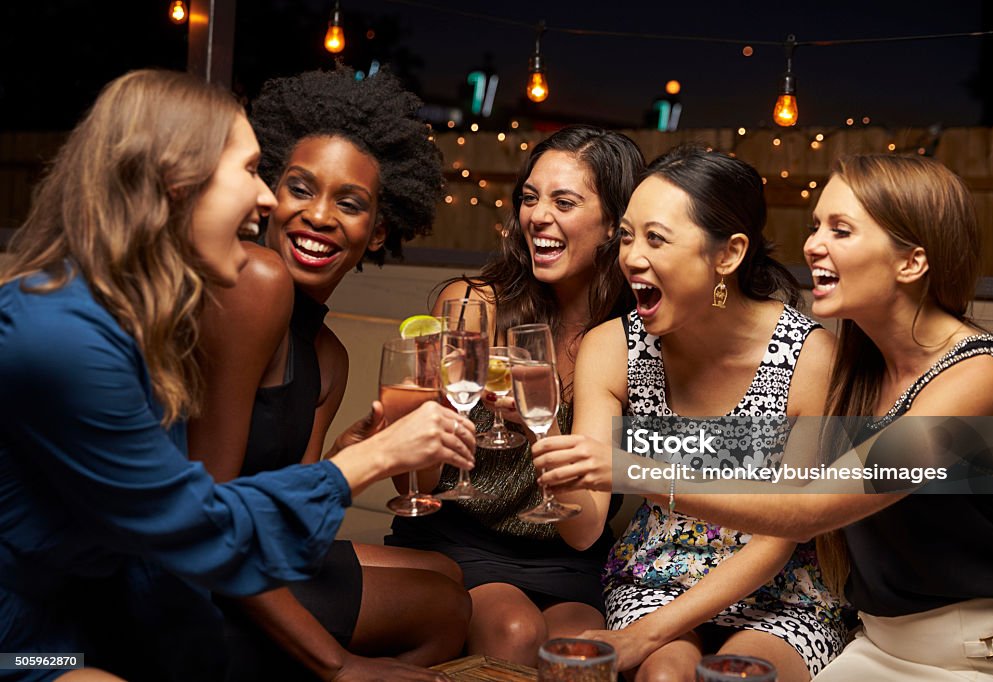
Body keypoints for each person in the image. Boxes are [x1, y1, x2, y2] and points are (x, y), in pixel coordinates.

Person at [0, 69, 475, 682]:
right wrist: (373, 460)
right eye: (253, 171)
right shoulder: (61, 338)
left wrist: (350, 457)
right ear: (178, 181)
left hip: (90, 618)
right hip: (31, 646)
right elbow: (195, 528)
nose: (269, 201)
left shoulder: (133, 321)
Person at [534, 154, 993, 680]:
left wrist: (632, 467)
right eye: (816, 226)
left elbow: (809, 510)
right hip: (878, 644)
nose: (812, 244)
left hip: (980, 652)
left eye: (840, 230)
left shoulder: (981, 376)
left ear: (911, 263)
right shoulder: (863, 368)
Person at [185, 67, 470, 681]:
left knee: (447, 577)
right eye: (300, 189)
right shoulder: (252, 285)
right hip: (189, 585)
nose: (319, 216)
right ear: (269, 195)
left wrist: (350, 456)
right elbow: (200, 523)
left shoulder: (331, 354)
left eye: (349, 203)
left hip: (247, 554)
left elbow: (292, 529)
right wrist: (339, 664)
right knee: (445, 610)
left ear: (379, 230)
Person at [386, 125, 644, 665]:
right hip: (461, 537)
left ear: (613, 226)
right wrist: (414, 414)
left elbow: (584, 529)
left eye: (564, 201)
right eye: (529, 198)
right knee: (514, 630)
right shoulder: (475, 306)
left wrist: (539, 428)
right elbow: (422, 480)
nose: (538, 216)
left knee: (579, 653)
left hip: (567, 551)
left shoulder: (629, 338)